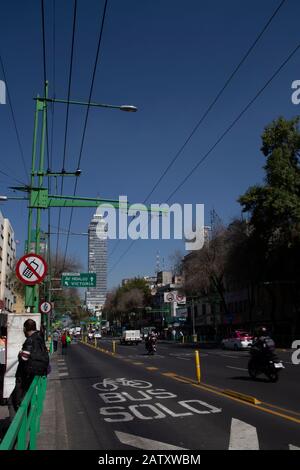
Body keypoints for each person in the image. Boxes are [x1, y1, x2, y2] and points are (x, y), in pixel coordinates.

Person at [10, 319, 49, 413]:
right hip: (37, 372)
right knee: (27, 398)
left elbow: (24, 358)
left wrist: (20, 354)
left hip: (26, 374)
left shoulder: (30, 340)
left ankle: (22, 425)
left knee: (15, 400)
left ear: (25, 328)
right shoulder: (40, 337)